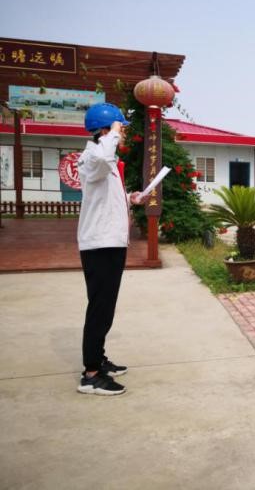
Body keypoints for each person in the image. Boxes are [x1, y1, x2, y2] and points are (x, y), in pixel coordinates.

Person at [76, 102, 147, 396]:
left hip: (110, 242)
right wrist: (113, 133)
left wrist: (130, 198)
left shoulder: (103, 158)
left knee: (105, 308)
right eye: (119, 127)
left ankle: (99, 359)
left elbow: (104, 197)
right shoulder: (95, 155)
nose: (123, 134)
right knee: (100, 309)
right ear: (105, 130)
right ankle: (91, 375)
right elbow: (103, 159)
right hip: (100, 244)